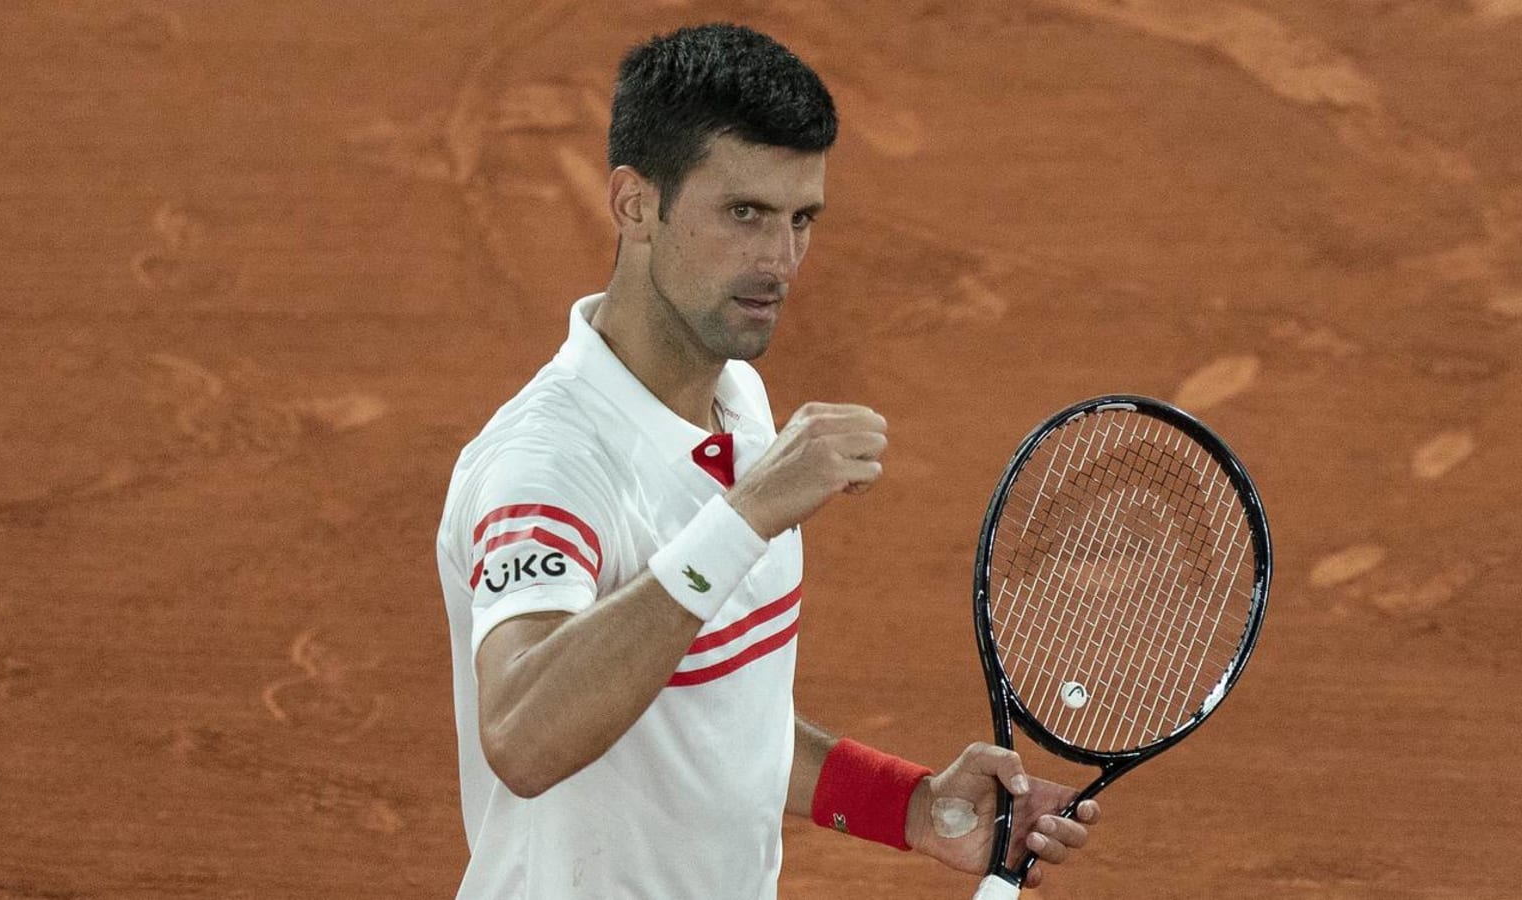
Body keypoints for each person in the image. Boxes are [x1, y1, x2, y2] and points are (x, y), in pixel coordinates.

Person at [435, 22, 1099, 899]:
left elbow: (714, 721)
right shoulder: (548, 465)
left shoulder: (741, 402)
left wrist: (913, 808)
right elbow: (522, 737)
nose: (780, 261)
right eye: (743, 213)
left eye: (801, 219)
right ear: (635, 203)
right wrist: (745, 516)